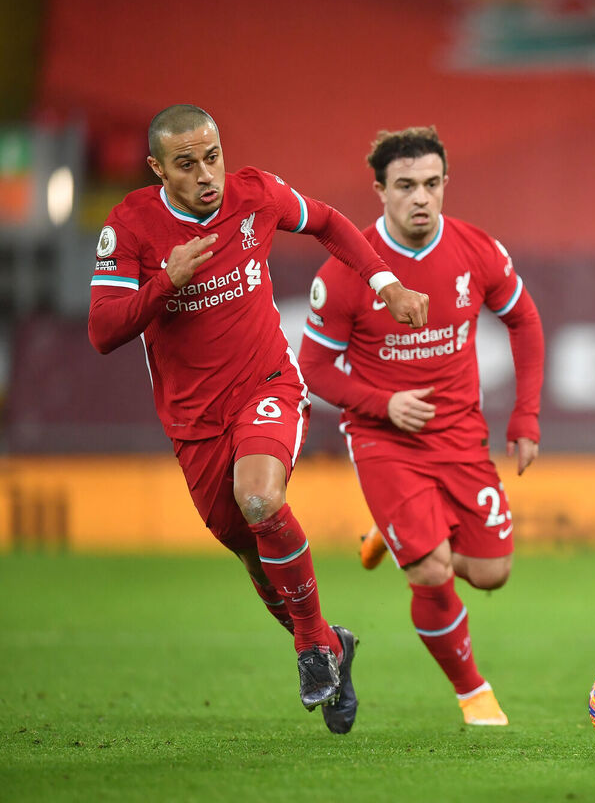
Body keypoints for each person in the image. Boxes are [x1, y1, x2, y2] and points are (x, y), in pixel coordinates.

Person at [87, 104, 429, 735]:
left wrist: (386, 285)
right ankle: (332, 643)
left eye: (211, 156)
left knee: (260, 500)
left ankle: (308, 648)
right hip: (193, 422)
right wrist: (166, 280)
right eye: (186, 165)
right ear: (158, 169)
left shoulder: (256, 194)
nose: (206, 175)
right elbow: (103, 330)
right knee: (255, 554)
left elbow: (327, 221)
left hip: (266, 384)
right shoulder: (131, 225)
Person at [299, 126, 544, 727]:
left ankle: (397, 536)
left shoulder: (477, 249)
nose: (421, 198)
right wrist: (384, 404)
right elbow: (313, 369)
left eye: (432, 184)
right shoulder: (345, 272)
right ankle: (473, 694)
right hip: (383, 440)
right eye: (405, 185)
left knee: (492, 573)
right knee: (433, 572)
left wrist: (526, 414)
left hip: (460, 434)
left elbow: (526, 323)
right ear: (380, 190)